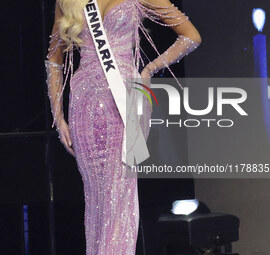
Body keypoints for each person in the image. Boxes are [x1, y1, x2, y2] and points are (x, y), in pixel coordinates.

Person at [45, 0, 201, 254]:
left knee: (120, 196)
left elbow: (191, 36)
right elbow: (54, 60)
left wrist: (150, 69)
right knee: (97, 199)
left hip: (126, 99)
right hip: (85, 104)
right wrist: (58, 115)